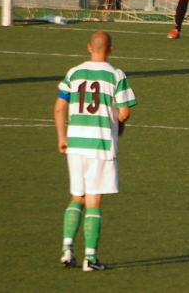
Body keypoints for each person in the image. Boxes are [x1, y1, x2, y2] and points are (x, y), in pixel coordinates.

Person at [54, 31, 137, 271]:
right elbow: (125, 112)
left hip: (75, 144)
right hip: (99, 145)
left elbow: (59, 108)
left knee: (76, 196)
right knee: (94, 200)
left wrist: (62, 137)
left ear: (89, 47)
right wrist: (120, 125)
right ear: (111, 49)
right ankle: (90, 258)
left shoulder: (74, 72)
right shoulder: (116, 75)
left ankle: (67, 249)